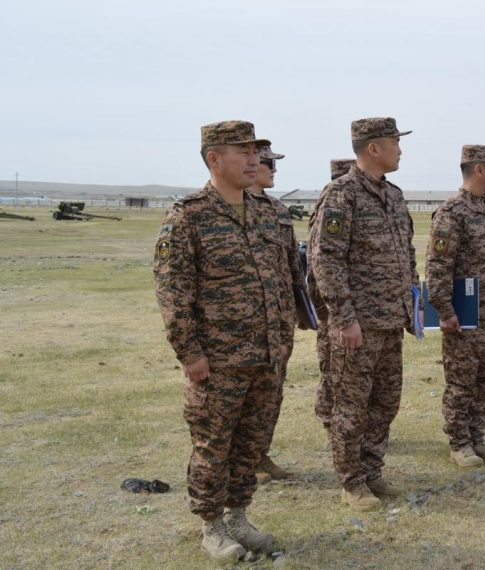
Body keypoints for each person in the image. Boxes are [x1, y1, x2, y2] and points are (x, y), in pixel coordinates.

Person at [154, 120, 288, 560]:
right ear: (214, 158)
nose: (255, 160)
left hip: (267, 356)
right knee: (214, 445)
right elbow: (173, 292)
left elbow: (283, 279)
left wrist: (283, 338)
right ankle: (211, 527)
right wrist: (190, 353)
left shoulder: (267, 210)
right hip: (219, 360)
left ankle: (238, 517)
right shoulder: (188, 215)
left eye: (256, 152)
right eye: (243, 152)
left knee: (250, 443)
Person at [308, 117, 417, 510]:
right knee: (351, 407)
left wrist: (412, 306)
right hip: (359, 324)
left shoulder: (394, 195)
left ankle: (372, 471)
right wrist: (344, 319)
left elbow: (407, 255)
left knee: (385, 402)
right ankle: (351, 481)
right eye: (394, 142)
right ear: (373, 148)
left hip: (391, 321)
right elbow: (326, 260)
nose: (400, 149)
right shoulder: (341, 195)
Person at [427, 144, 485, 467]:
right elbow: (438, 265)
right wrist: (445, 310)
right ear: (478, 169)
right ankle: (459, 441)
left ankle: (477, 435)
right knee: (461, 380)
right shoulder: (452, 213)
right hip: (466, 313)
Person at [246, 145, 304, 484]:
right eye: (269, 163)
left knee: (272, 392)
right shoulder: (231, 206)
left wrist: (302, 307)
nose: (273, 170)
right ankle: (245, 460)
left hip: (280, 318)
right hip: (249, 319)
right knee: (247, 394)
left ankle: (260, 453)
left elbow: (292, 264)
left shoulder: (278, 209)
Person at [312, 159, 356, 431]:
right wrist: (321, 310)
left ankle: (332, 416)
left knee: (335, 367)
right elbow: (319, 263)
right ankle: (330, 417)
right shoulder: (332, 203)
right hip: (333, 306)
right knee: (332, 366)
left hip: (342, 303)